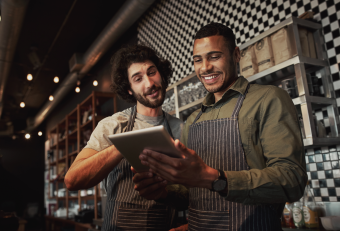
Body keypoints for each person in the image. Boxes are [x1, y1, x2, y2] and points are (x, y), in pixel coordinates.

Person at [132, 23, 307, 231]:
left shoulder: (268, 99)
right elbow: (192, 192)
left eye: (214, 56)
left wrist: (215, 179)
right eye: (198, 60)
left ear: (235, 54)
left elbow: (292, 180)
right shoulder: (193, 120)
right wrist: (163, 193)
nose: (205, 67)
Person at [64, 44, 187, 231]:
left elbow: (193, 194)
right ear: (129, 89)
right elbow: (73, 180)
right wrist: (123, 145)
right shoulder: (113, 125)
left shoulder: (181, 130)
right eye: (138, 79)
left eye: (152, 72)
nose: (149, 83)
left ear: (161, 74)